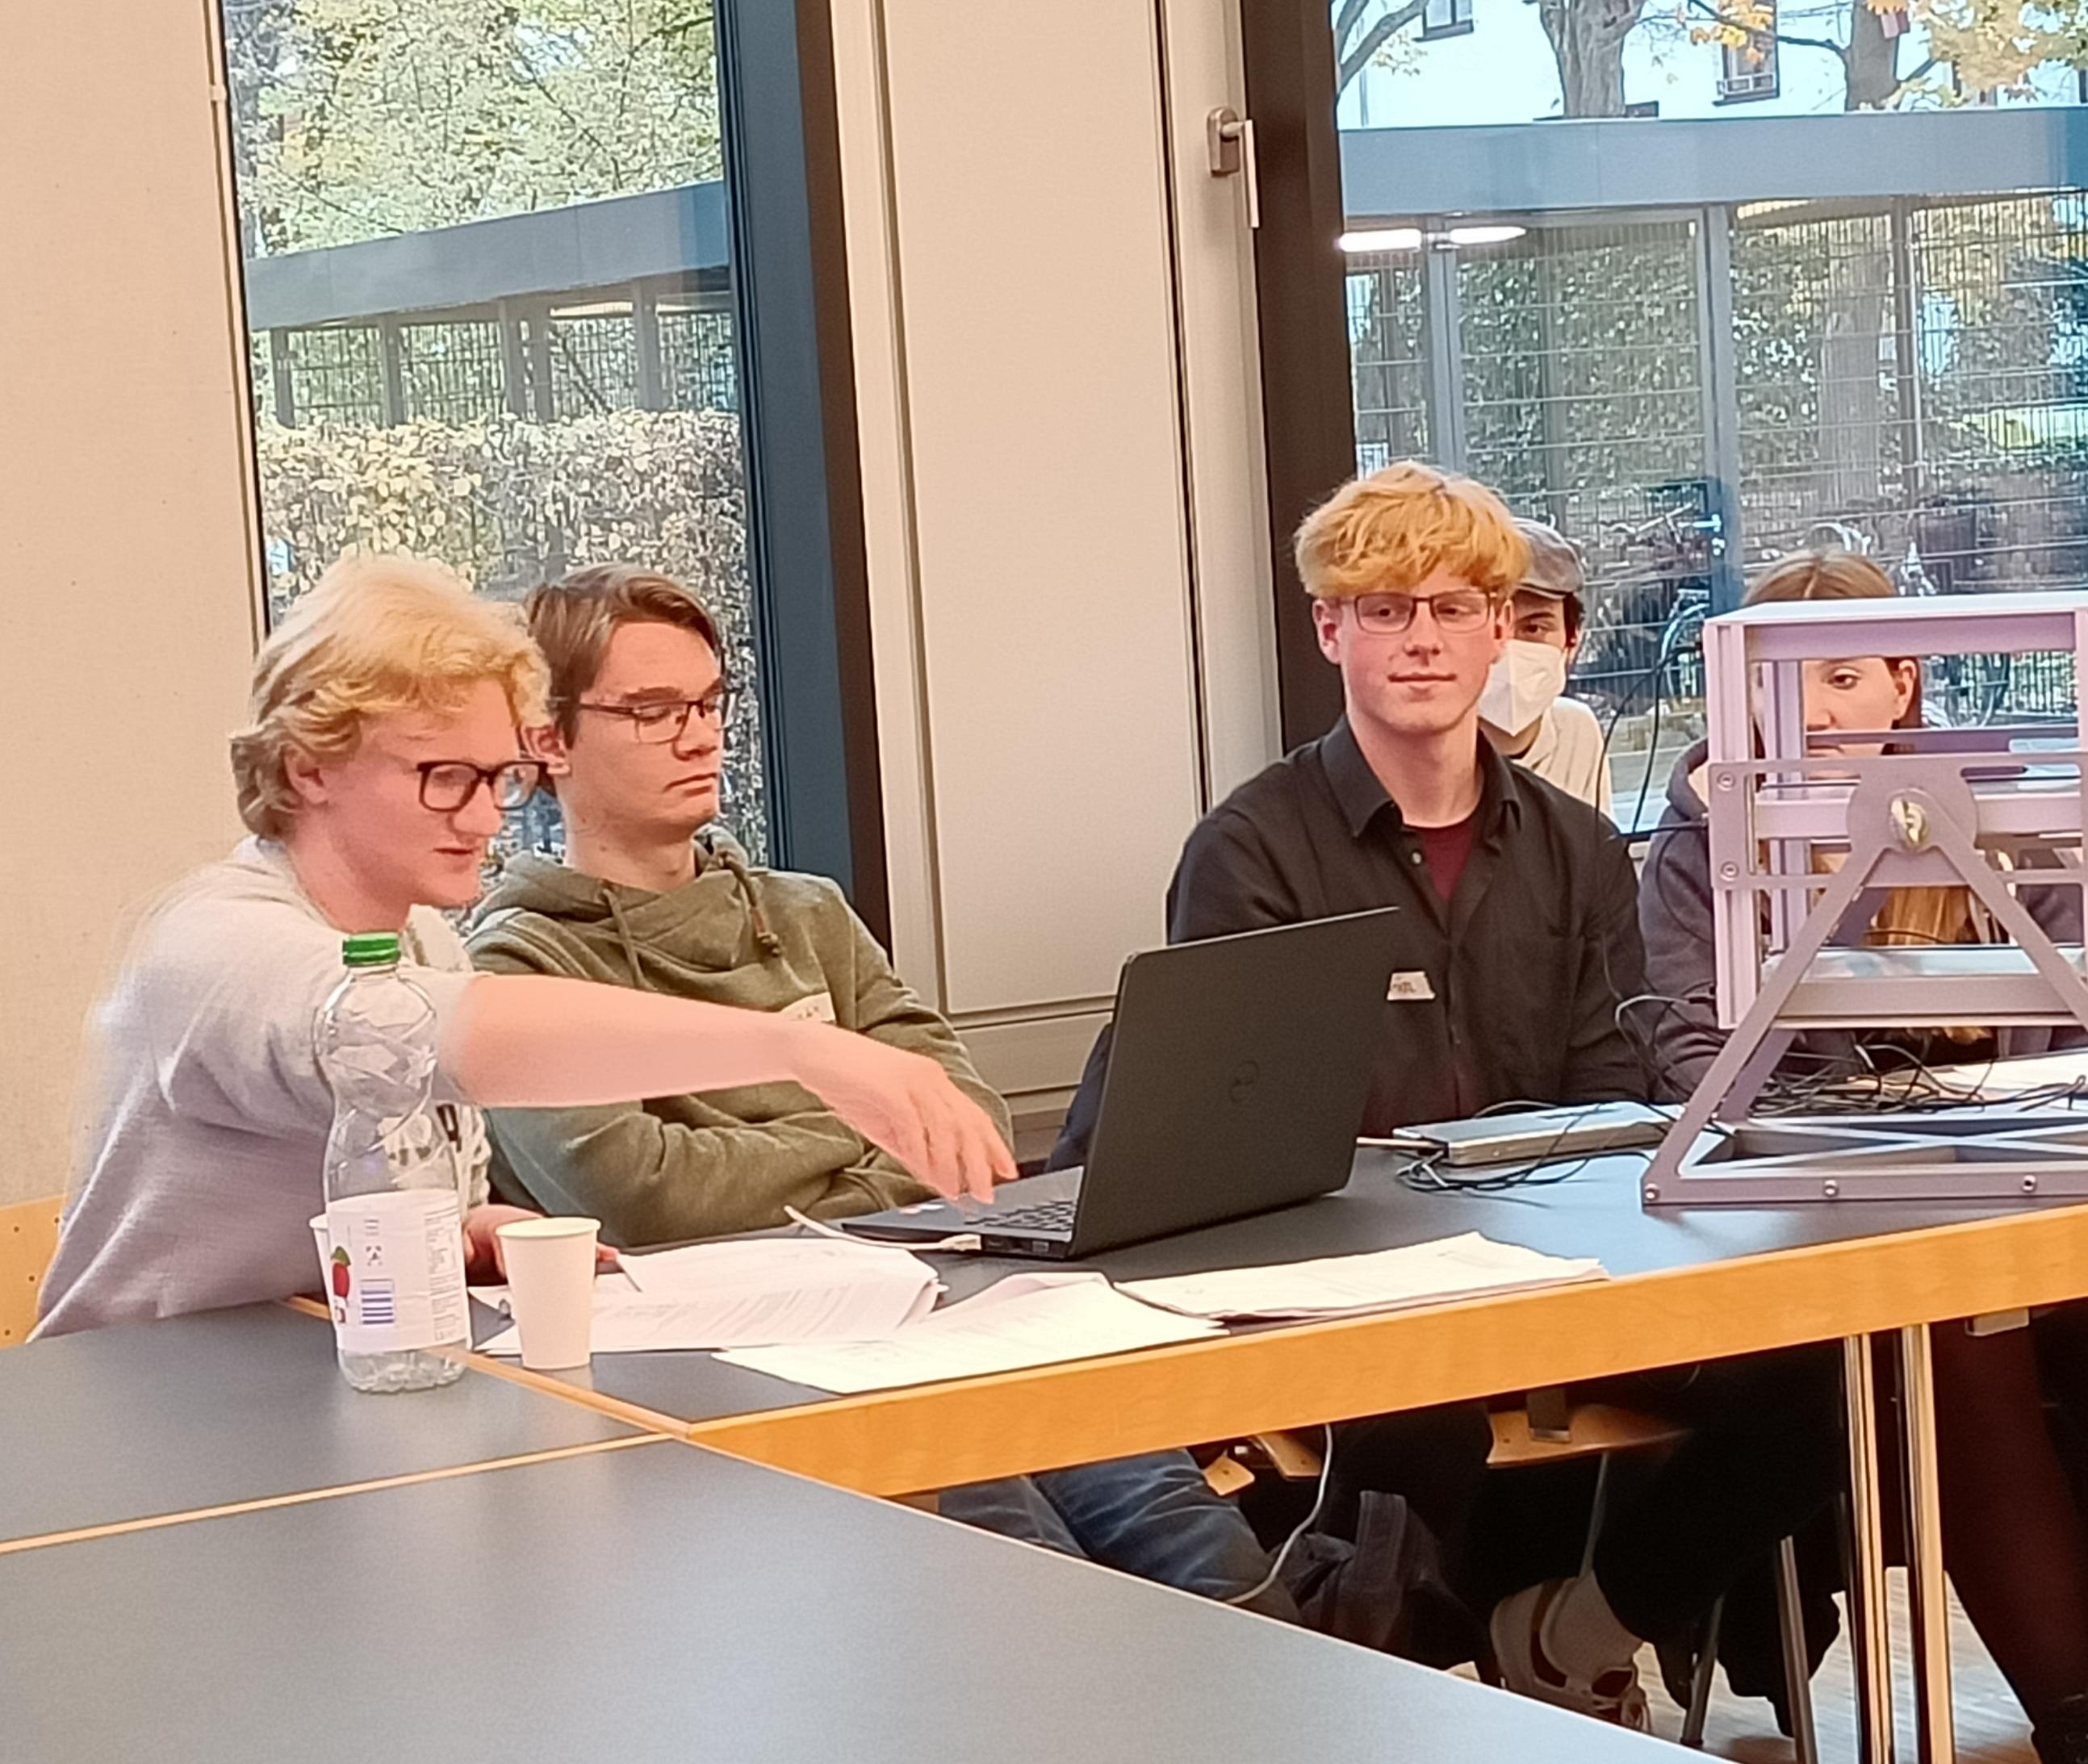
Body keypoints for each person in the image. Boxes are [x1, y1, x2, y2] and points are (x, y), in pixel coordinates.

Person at [1052, 462, 1774, 1699]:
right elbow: (1257, 1128)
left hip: (1552, 1264)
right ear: (1329, 629)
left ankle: (1570, 1636)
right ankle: (1398, 1699)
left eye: (1452, 607)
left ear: (1502, 625)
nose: (1422, 638)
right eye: (1384, 608)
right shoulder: (1252, 848)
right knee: (1418, 1423)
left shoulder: (1576, 842)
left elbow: (1607, 1085)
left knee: (1812, 1362)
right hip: (1349, 1285)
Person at [462, 564, 1293, 1617]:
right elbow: (646, 1193)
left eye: (711, 702)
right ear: (548, 739)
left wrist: (815, 1136)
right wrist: (851, 1120)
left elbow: (971, 1124)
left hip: (957, 1312)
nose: (701, 736)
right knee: (1038, 1601)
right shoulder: (517, 967)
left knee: (1218, 1570)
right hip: (769, 1367)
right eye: (653, 710)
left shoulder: (805, 912)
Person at [36, 556, 1011, 1340]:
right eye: (442, 776)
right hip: (150, 1411)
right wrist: (804, 1048)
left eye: (497, 776)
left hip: (315, 1383)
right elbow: (409, 1035)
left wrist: (463, 1233)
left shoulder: (424, 935)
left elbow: (354, 1202)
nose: (483, 814)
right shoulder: (219, 942)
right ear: (308, 766)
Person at [1638, 550, 2088, 1764]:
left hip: (2061, 1174)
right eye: (1779, 685)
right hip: (1863, 1213)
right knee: (1960, 1350)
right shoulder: (1701, 841)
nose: (1809, 712)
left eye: (1844, 678)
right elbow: (1686, 1045)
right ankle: (2078, 1725)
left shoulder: (2015, 806)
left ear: (1902, 687)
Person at [1476, 519, 1607, 809]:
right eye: (1494, 628)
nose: (1509, 648)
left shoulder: (1576, 733)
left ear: (1573, 639)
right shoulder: (1429, 752)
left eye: (1533, 628)